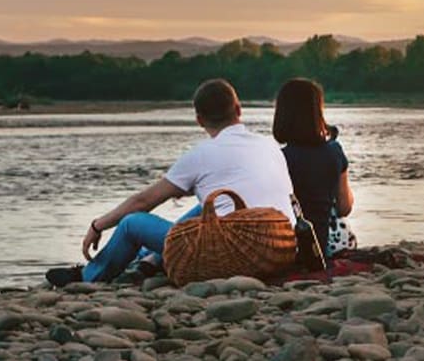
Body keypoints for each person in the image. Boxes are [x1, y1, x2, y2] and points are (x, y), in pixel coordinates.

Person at [46, 79, 295, 285]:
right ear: (239, 110)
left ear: (199, 120)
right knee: (204, 208)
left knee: (132, 223)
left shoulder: (201, 154)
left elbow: (143, 201)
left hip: (234, 254)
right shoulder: (269, 145)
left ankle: (88, 276)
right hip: (278, 248)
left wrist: (98, 225)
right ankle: (149, 261)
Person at [271, 78, 354, 257]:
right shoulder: (334, 151)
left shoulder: (278, 158)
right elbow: (344, 207)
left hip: (288, 247)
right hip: (326, 246)